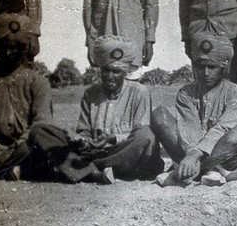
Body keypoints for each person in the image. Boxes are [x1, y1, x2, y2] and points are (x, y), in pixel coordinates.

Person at [56, 35, 164, 184]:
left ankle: (91, 169)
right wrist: (81, 140)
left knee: (146, 136)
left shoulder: (139, 92)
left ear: (125, 72)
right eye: (106, 70)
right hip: (98, 153)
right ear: (100, 69)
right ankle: (101, 169)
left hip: (129, 155)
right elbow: (85, 132)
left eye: (116, 71)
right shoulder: (90, 93)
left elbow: (141, 133)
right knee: (50, 137)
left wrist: (113, 138)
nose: (110, 76)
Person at [151, 33, 237, 187]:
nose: (205, 73)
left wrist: (194, 156)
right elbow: (188, 129)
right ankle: (202, 171)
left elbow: (223, 128)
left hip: (225, 162)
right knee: (160, 114)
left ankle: (183, 172)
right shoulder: (186, 92)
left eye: (212, 67)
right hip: (190, 154)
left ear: (223, 66)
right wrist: (192, 155)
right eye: (200, 66)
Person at [0, 13, 59, 181]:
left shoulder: (38, 82)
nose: (9, 52)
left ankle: (5, 168)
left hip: (24, 147)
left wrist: (15, 147)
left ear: (25, 48)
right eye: (4, 47)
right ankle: (6, 169)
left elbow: (41, 123)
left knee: (39, 138)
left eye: (15, 47)